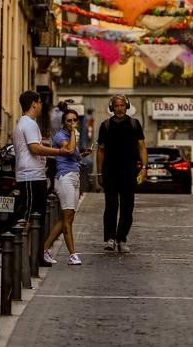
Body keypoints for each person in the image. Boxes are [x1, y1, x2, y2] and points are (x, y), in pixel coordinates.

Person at [13, 90, 72, 232]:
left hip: (31, 175)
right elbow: (35, 149)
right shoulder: (29, 124)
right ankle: (27, 252)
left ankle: (33, 251)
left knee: (34, 217)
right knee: (31, 217)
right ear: (34, 104)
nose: (40, 105)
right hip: (30, 176)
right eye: (39, 102)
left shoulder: (24, 123)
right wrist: (59, 152)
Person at [95, 94, 146, 253]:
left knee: (127, 207)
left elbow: (142, 147)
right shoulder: (105, 126)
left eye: (122, 105)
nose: (119, 108)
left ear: (127, 106)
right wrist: (99, 174)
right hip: (110, 172)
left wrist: (144, 168)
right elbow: (101, 150)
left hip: (129, 172)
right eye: (116, 106)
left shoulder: (134, 124)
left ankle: (121, 238)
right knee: (111, 205)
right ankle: (110, 238)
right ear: (112, 107)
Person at [43, 109, 83, 266]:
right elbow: (70, 150)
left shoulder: (71, 137)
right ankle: (73, 254)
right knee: (67, 217)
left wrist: (85, 153)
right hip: (64, 177)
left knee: (68, 217)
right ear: (64, 123)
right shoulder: (60, 136)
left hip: (75, 176)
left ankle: (45, 248)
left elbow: (75, 156)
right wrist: (73, 132)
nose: (72, 123)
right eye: (69, 120)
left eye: (74, 120)